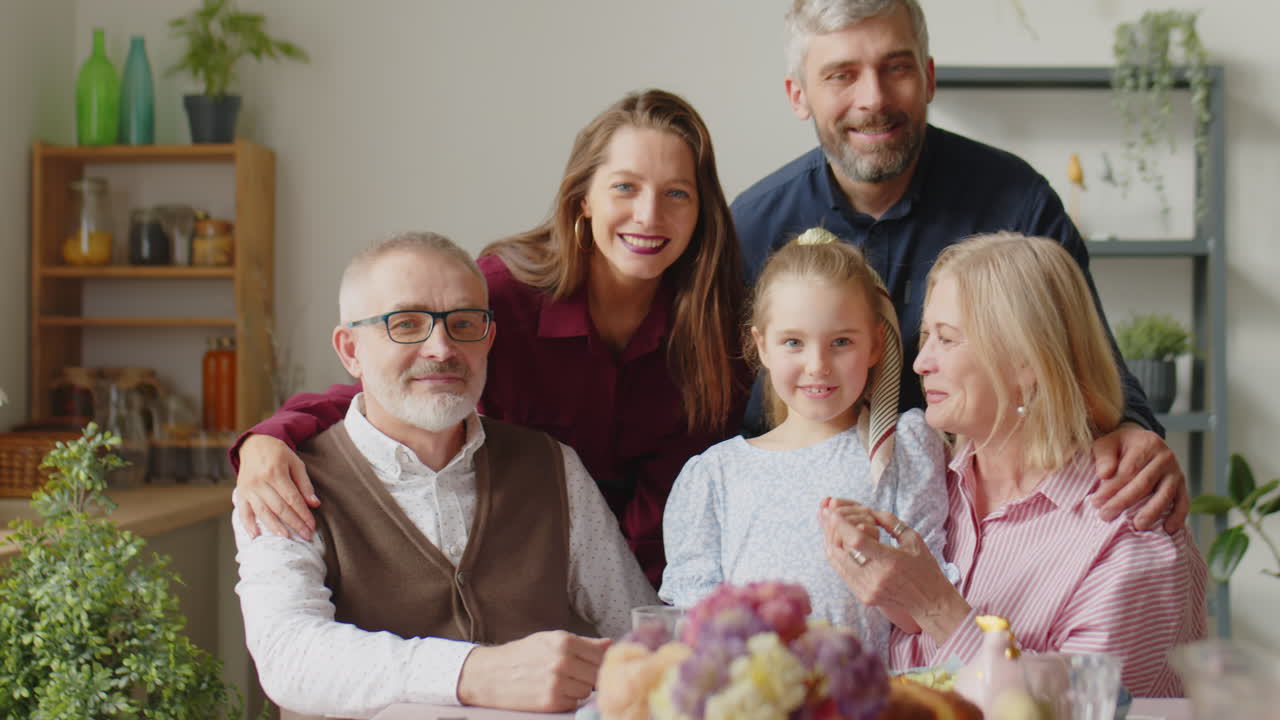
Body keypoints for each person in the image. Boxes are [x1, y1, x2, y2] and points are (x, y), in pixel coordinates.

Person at [230, 90, 749, 586]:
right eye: (625, 187)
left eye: (676, 193)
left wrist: (637, 621)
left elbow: (680, 506)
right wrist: (270, 437)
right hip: (503, 559)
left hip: (648, 582)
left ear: (702, 210)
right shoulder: (504, 297)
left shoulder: (718, 328)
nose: (649, 215)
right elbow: (398, 387)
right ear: (583, 197)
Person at [733, 0, 1188, 530]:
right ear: (798, 95)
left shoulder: (1016, 204)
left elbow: (1089, 360)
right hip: (805, 523)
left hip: (995, 521)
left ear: (928, 77)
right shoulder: (751, 226)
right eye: (842, 75)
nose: (873, 99)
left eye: (896, 67)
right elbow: (717, 412)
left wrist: (1133, 429)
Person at [232, 232, 657, 718]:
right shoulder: (283, 482)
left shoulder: (554, 466)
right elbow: (289, 656)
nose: (441, 347)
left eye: (464, 322)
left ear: (489, 338)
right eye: (406, 323)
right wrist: (475, 672)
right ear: (350, 349)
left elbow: (636, 633)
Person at [817, 233, 1207, 696]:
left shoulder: (1132, 534)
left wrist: (935, 607)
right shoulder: (927, 483)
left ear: (1027, 362)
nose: (921, 363)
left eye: (947, 339)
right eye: (926, 337)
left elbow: (1093, 707)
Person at [660, 228, 950, 659]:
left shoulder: (903, 449)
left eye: (841, 342)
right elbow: (696, 637)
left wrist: (868, 554)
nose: (818, 365)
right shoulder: (716, 476)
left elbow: (921, 617)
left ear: (874, 344)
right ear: (761, 346)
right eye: (793, 342)